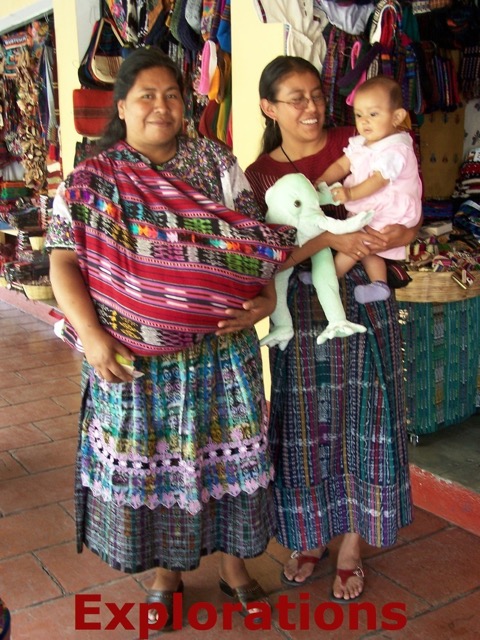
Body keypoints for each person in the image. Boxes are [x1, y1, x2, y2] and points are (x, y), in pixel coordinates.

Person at [46, 47, 285, 628]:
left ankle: (233, 568)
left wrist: (267, 297)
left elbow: (256, 248)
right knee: (154, 464)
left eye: (172, 95)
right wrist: (95, 340)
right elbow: (63, 262)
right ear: (122, 106)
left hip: (219, 355)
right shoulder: (91, 180)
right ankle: (166, 575)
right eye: (147, 96)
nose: (161, 106)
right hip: (134, 364)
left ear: (187, 105)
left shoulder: (218, 166)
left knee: (228, 458)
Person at [243, 55, 415, 602]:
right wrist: (333, 241)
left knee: (368, 413)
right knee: (305, 422)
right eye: (296, 98)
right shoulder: (259, 176)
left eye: (317, 94)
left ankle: (351, 545)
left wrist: (385, 237)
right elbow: (265, 256)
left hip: (364, 295)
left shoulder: (360, 136)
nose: (312, 107)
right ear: (269, 107)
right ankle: (311, 535)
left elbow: (409, 207)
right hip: (299, 307)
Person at [316, 75, 422, 304]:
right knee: (369, 248)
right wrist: (320, 181)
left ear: (397, 117)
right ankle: (379, 285)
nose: (364, 122)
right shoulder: (361, 143)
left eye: (373, 114)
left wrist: (351, 194)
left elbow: (379, 180)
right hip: (376, 209)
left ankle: (327, 278)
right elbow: (342, 165)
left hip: (391, 210)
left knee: (356, 241)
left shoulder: (396, 149)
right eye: (359, 115)